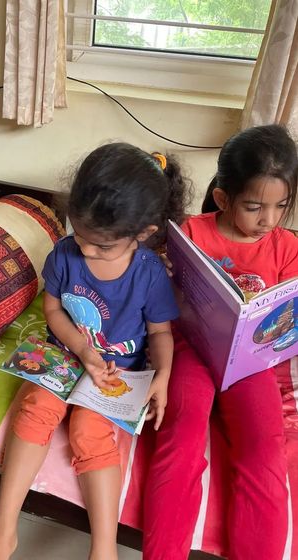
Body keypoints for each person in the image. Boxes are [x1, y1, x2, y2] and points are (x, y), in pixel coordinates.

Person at [0, 142, 190, 560]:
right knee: (37, 405)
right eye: (80, 236)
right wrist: (79, 347)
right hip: (64, 352)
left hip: (118, 370)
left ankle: (104, 550)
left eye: (103, 246)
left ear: (143, 234)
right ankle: (3, 533)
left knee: (88, 431)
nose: (87, 250)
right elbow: (53, 307)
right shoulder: (65, 253)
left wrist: (163, 376)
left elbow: (161, 333)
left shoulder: (148, 273)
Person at [143, 124, 298, 560]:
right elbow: (167, 301)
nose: (268, 220)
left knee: (265, 456)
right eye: (254, 207)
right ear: (223, 199)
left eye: (280, 207)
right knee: (180, 441)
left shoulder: (286, 247)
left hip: (252, 362)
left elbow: (287, 316)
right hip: (194, 350)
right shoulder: (192, 232)